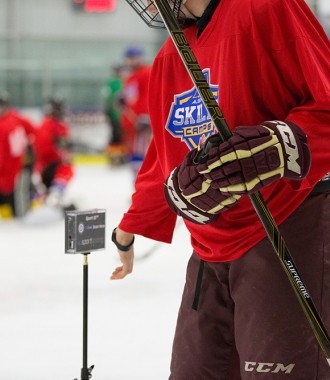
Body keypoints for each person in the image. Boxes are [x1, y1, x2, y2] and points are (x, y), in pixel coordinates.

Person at [111, 1, 330, 379]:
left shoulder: (265, 8)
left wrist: (283, 144)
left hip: (285, 228)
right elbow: (165, 154)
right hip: (209, 250)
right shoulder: (170, 55)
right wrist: (134, 224)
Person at [33, 97, 75, 210]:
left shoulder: (50, 125)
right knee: (67, 169)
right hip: (49, 165)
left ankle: (50, 195)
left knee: (65, 169)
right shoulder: (50, 125)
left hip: (45, 165)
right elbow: (44, 150)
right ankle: (53, 196)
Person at [0, 92, 36, 218]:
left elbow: (34, 132)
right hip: (7, 174)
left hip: (18, 169)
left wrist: (30, 147)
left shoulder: (15, 118)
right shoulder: (12, 119)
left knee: (19, 206)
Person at [119, 44, 152, 180]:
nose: (132, 60)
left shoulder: (146, 72)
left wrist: (147, 116)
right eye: (130, 58)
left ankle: (143, 187)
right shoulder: (129, 77)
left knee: (142, 156)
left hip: (143, 122)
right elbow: (131, 99)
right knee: (133, 158)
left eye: (135, 57)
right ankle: (137, 187)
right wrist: (122, 101)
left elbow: (150, 95)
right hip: (131, 123)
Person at [102, 64, 127, 166]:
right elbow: (108, 99)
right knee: (115, 136)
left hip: (123, 116)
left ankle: (121, 156)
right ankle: (114, 157)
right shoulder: (112, 83)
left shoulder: (125, 81)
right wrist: (108, 111)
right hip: (115, 115)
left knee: (121, 136)